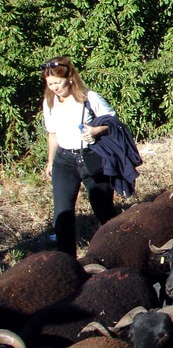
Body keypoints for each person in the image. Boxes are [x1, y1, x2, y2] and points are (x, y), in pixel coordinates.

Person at [42, 57, 120, 255]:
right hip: (64, 161)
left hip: (91, 158)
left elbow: (113, 123)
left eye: (57, 83)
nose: (54, 88)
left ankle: (115, 250)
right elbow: (52, 134)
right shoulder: (49, 102)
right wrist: (50, 161)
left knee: (103, 210)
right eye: (50, 84)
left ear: (69, 78)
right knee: (62, 214)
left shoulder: (89, 98)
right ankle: (66, 260)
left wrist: (95, 131)